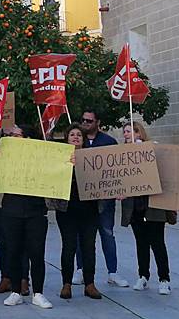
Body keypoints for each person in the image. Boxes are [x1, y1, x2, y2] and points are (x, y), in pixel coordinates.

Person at [0, 125, 53, 309]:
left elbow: (56, 171)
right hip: (11, 210)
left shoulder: (40, 157)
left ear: (27, 138)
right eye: (10, 135)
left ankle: (38, 293)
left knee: (36, 253)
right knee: (13, 251)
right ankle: (15, 291)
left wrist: (68, 162)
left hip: (35, 211)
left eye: (16, 135)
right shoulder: (4, 154)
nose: (11, 137)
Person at [74, 110, 128, 288]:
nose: (85, 123)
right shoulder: (76, 141)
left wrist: (120, 188)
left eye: (89, 120)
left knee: (107, 234)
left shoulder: (108, 142)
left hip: (105, 200)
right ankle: (80, 270)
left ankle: (112, 272)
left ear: (97, 122)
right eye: (83, 120)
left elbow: (118, 169)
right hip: (82, 200)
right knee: (80, 236)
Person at [120, 121, 173, 295]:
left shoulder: (153, 148)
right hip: (135, 206)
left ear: (139, 133)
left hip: (153, 206)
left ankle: (164, 279)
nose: (126, 135)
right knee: (141, 243)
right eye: (125, 132)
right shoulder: (121, 154)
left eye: (129, 131)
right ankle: (143, 275)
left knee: (157, 243)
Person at [55, 127, 102, 301]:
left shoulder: (92, 157)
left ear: (83, 139)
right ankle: (66, 284)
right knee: (69, 246)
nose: (75, 137)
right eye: (72, 135)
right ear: (67, 138)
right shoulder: (59, 158)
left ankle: (89, 284)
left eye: (79, 135)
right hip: (67, 209)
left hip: (89, 209)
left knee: (89, 247)